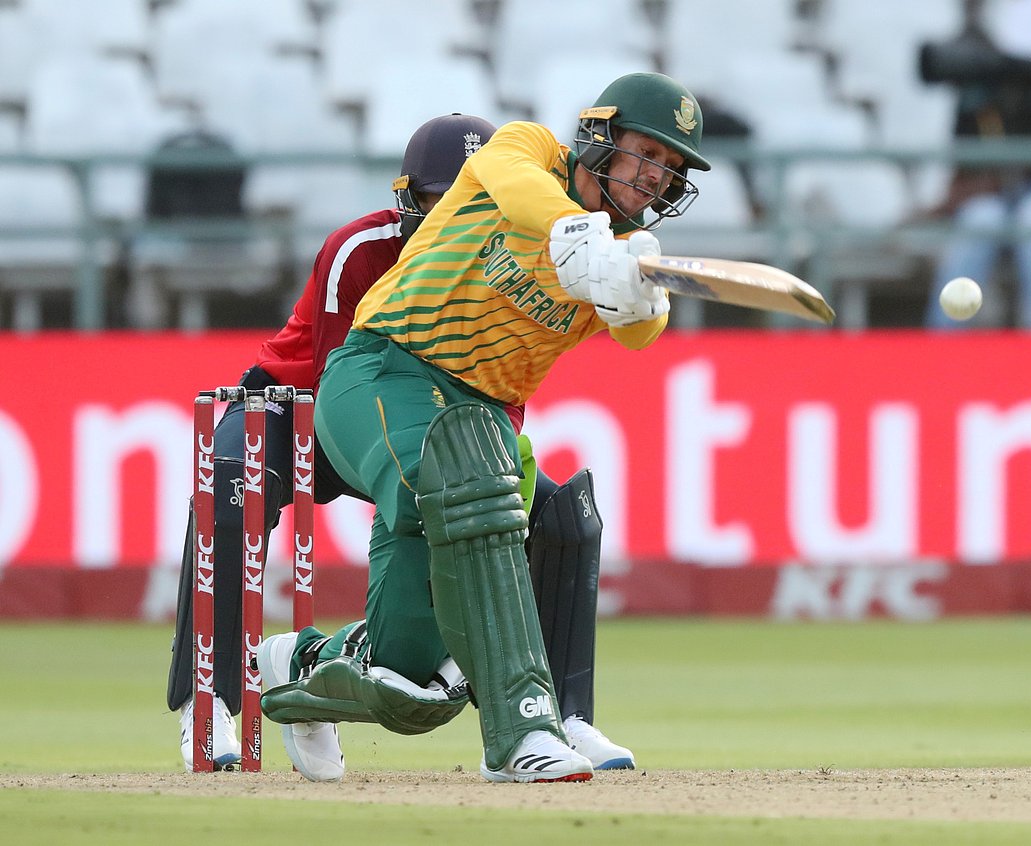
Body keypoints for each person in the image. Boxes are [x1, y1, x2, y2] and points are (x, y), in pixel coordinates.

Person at [258, 71, 710, 784]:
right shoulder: (525, 152)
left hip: (478, 414)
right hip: (384, 370)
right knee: (470, 487)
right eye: (646, 155)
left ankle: (304, 663)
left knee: (405, 682)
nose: (657, 179)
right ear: (599, 136)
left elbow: (643, 331)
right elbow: (511, 179)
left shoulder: (622, 252)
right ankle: (524, 729)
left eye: (672, 170)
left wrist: (634, 287)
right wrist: (575, 233)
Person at [168, 113, 634, 776]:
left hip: (422, 438)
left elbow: (494, 402)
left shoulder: (510, 256)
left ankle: (559, 716)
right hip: (307, 411)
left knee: (562, 516)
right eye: (429, 201)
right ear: (403, 197)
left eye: (459, 199)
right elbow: (337, 384)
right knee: (230, 479)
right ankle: (208, 701)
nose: (444, 213)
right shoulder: (360, 248)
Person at [919, 0, 1031, 331]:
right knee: (980, 220)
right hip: (998, 202)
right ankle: (942, 343)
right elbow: (964, 167)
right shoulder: (976, 92)